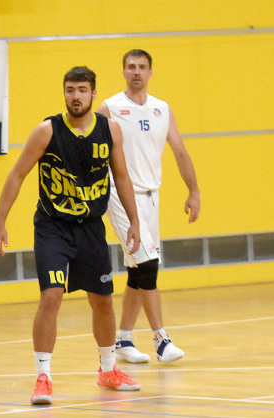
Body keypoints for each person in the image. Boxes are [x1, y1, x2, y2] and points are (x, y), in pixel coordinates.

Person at [0, 67, 143, 406]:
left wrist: (134, 221)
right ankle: (43, 377)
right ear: (64, 93)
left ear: (92, 94)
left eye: (82, 90)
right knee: (52, 297)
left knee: (102, 300)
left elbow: (122, 176)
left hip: (90, 227)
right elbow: (17, 175)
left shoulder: (110, 130)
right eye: (70, 89)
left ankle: (108, 370)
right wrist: (0, 222)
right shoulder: (47, 131)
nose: (76, 96)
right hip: (53, 227)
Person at [98, 49, 201, 363]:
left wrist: (193, 190)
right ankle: (161, 339)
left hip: (150, 196)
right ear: (124, 72)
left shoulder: (161, 109)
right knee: (148, 265)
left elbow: (180, 151)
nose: (136, 72)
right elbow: (90, 147)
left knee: (136, 269)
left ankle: (124, 339)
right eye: (131, 67)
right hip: (119, 193)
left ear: (151, 72)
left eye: (142, 67)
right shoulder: (110, 108)